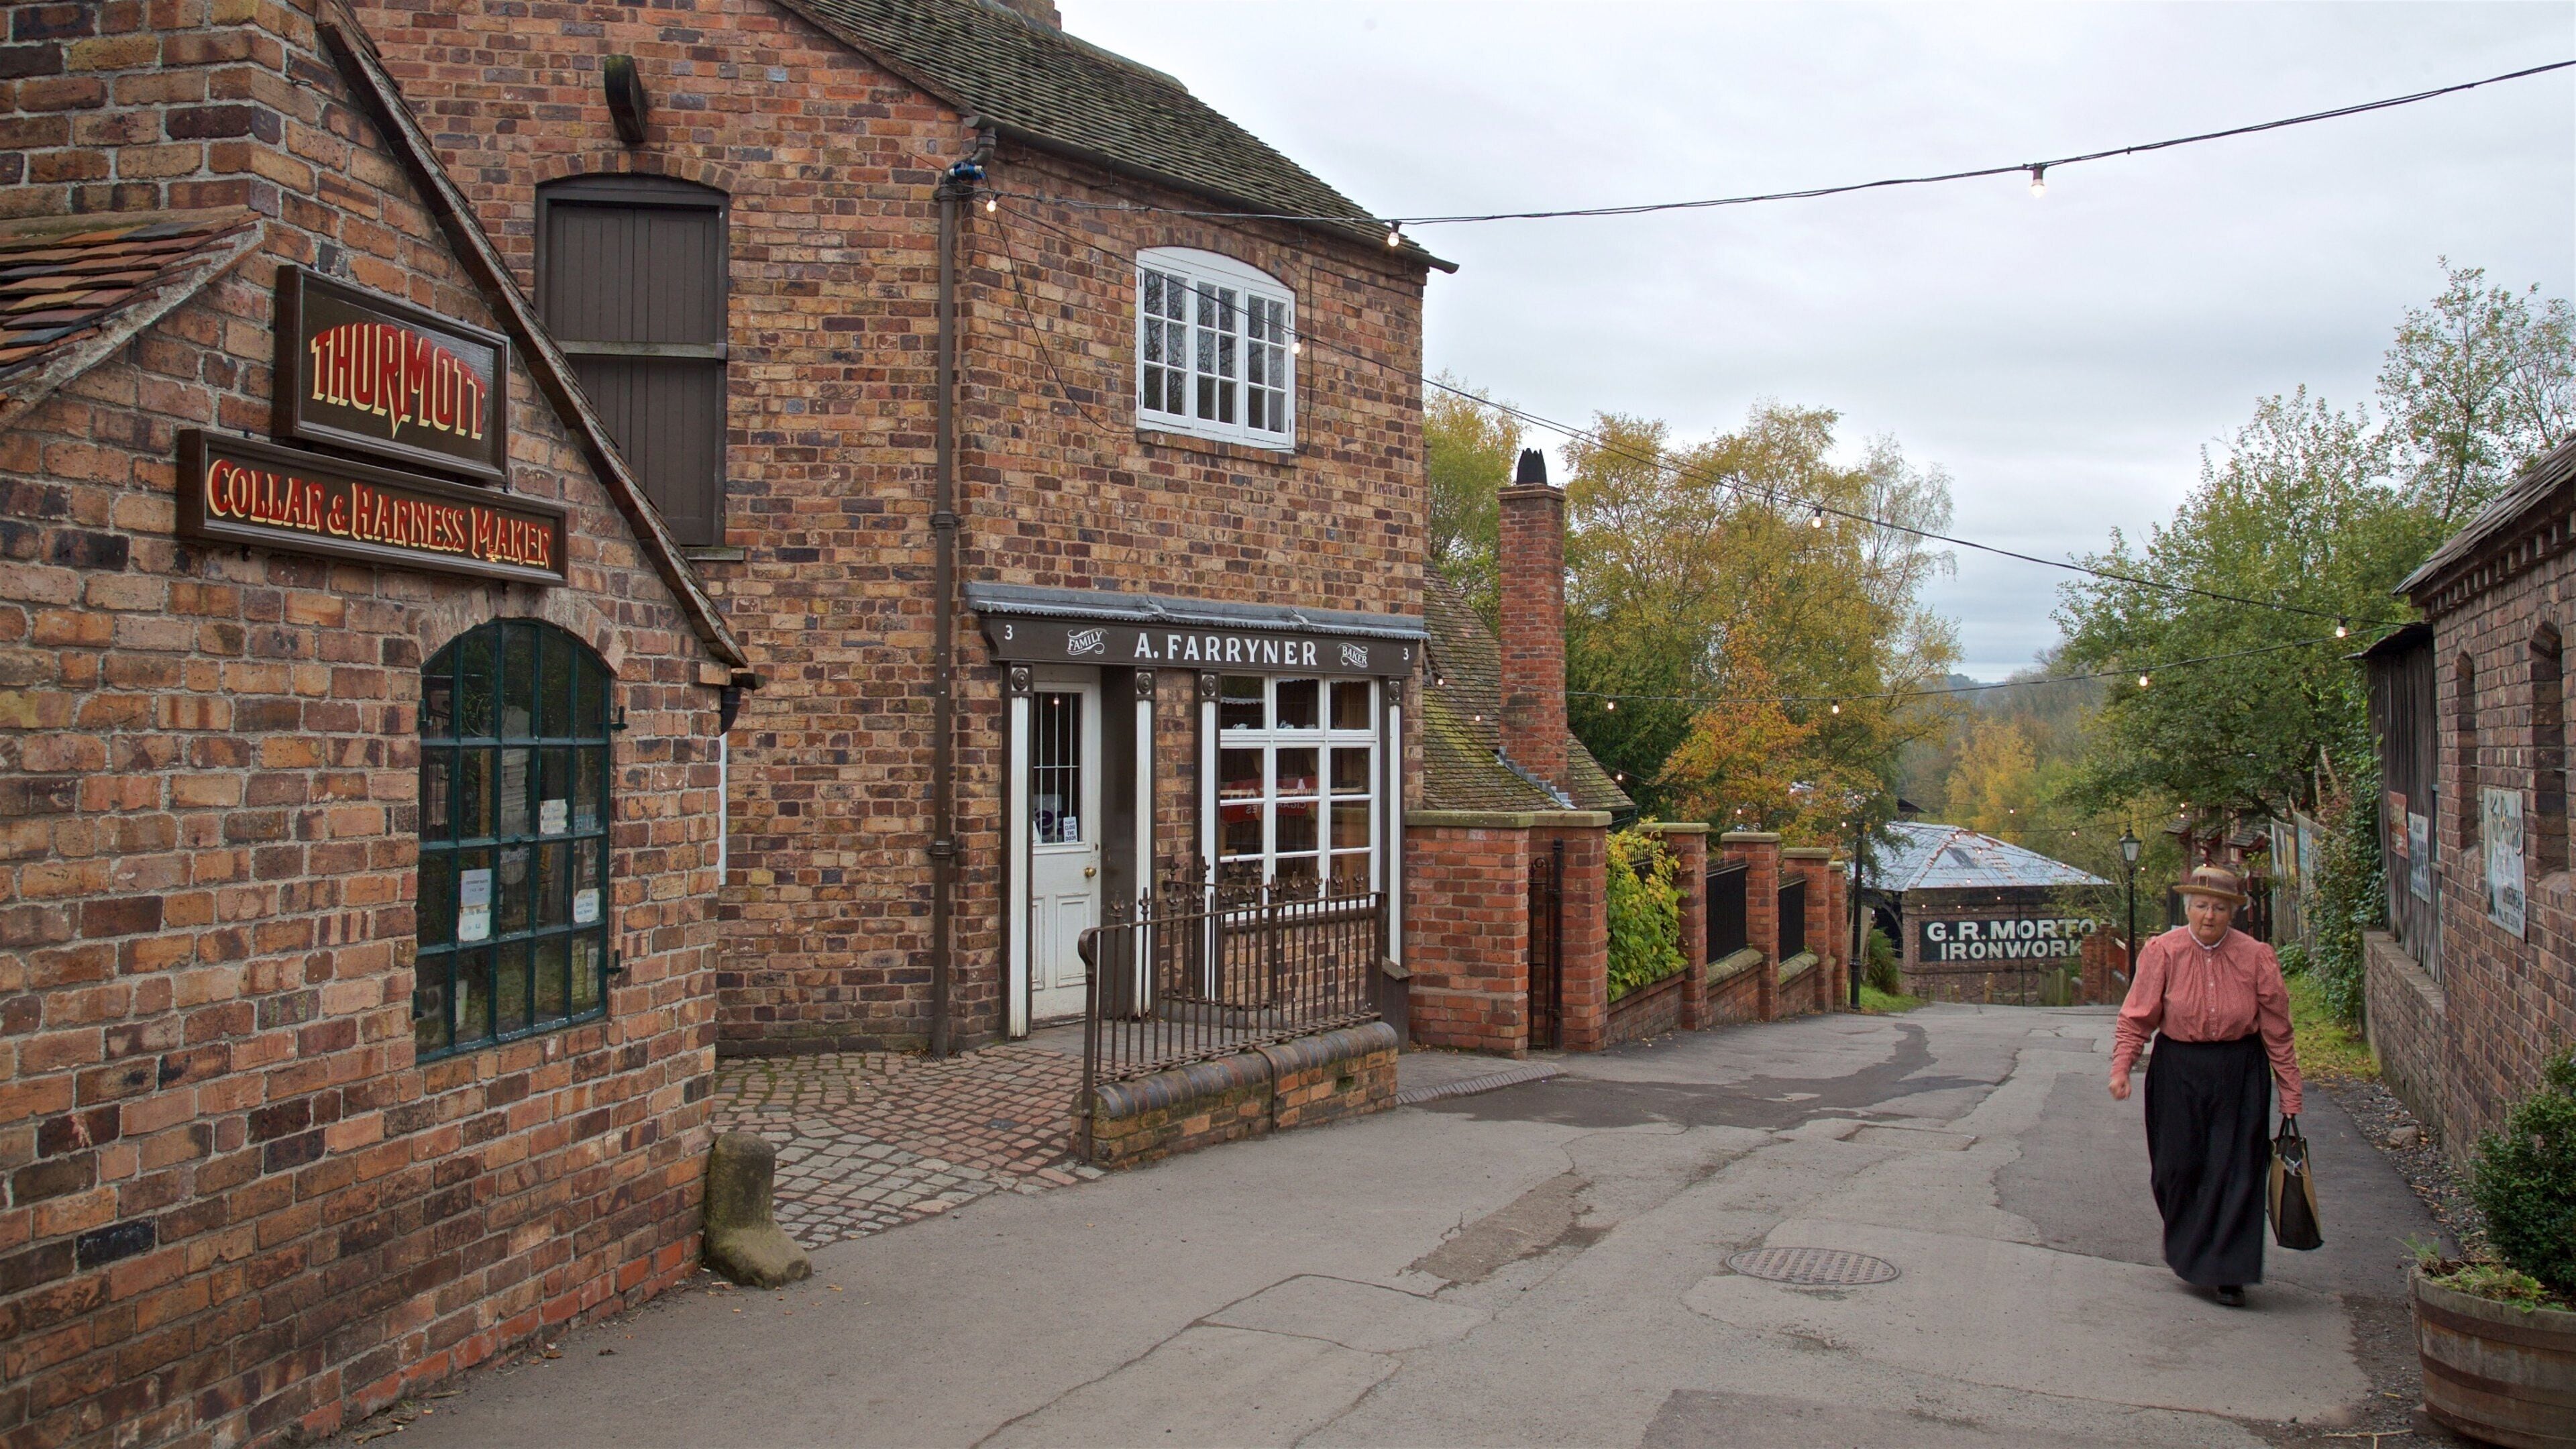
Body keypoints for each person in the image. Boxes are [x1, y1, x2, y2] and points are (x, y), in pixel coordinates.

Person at [2107, 863, 2301, 1307]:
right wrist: (2122, 1068)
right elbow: (2136, 1017)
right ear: (2187, 907)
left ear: (2233, 912)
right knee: (2176, 1169)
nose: (2209, 915)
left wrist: (2290, 1093)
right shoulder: (2163, 952)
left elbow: (2278, 1030)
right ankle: (2192, 1251)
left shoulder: (2257, 957)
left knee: (2236, 1171)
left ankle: (2229, 1272)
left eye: (2219, 908)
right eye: (2200, 906)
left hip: (2240, 1070)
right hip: (2179, 1069)